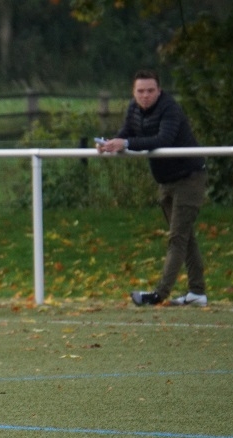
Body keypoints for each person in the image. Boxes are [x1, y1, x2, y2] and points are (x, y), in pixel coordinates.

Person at [98, 70, 209, 307]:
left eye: (150, 90)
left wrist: (126, 143)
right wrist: (110, 144)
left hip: (190, 177)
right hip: (165, 181)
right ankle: (197, 292)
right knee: (185, 237)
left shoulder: (170, 108)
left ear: (159, 90)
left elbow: (162, 140)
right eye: (140, 91)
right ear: (133, 92)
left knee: (177, 238)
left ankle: (159, 294)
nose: (145, 95)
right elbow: (125, 134)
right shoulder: (133, 109)